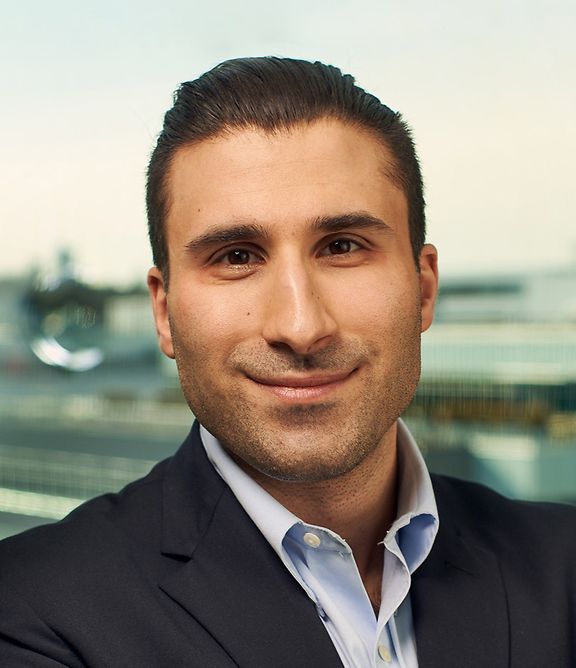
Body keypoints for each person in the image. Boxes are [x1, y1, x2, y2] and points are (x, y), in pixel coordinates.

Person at [0, 57, 574, 668]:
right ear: (164, 314)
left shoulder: (564, 564)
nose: (301, 327)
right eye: (237, 256)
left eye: (343, 246)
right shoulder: (31, 612)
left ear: (424, 288)